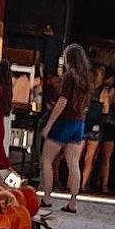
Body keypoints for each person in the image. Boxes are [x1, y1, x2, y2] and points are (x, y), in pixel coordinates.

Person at [40, 42, 92, 213]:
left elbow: (62, 102)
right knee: (73, 163)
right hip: (79, 123)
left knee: (46, 159)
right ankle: (73, 202)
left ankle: (47, 198)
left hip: (64, 122)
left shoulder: (69, 77)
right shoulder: (86, 79)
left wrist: (49, 124)